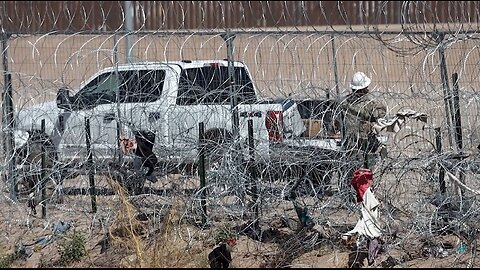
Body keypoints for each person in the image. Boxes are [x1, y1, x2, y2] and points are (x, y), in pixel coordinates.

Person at [339, 71, 387, 183]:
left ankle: (351, 193)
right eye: (366, 88)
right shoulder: (368, 105)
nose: (368, 90)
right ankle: (365, 193)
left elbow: (337, 122)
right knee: (365, 172)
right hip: (364, 144)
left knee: (351, 172)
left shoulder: (344, 103)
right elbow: (381, 112)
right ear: (362, 90)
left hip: (350, 145)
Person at [342, 168, 384, 266]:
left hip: (366, 214)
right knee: (374, 235)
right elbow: (374, 207)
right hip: (371, 216)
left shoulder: (363, 189)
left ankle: (346, 236)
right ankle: (372, 260)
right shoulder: (368, 192)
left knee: (361, 228)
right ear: (367, 179)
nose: (372, 181)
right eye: (370, 179)